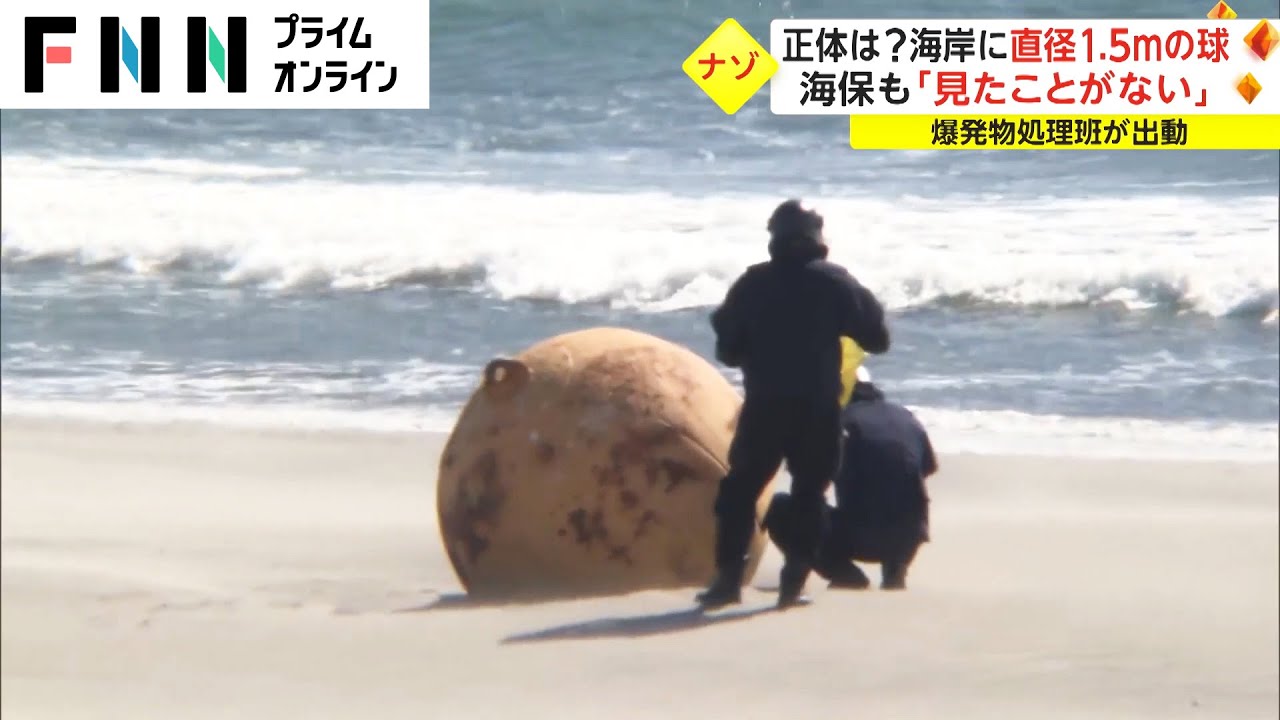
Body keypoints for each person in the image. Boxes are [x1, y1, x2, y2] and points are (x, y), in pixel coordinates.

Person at [696, 198, 891, 610]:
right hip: (817, 410)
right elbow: (878, 339)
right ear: (817, 238)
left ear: (775, 237)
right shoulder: (835, 283)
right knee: (809, 495)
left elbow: (727, 351)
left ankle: (727, 582)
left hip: (764, 407)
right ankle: (792, 586)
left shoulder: (752, 285)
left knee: (739, 491)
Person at [762, 367, 938, 591]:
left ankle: (845, 574)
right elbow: (927, 468)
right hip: (911, 535)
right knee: (893, 497)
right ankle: (896, 570)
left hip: (863, 535)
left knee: (780, 507)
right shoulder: (906, 417)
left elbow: (811, 475)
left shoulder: (842, 422)